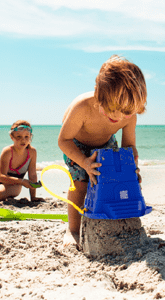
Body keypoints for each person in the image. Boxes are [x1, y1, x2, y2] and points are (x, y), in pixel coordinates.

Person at [58, 55, 147, 247]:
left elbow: (129, 147)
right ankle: (72, 229)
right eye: (111, 109)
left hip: (106, 143)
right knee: (81, 182)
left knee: (114, 179)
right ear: (99, 96)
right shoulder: (82, 107)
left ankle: (113, 216)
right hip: (76, 145)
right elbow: (63, 140)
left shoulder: (128, 114)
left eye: (126, 112)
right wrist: (84, 162)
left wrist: (132, 168)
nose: (118, 116)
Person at [0, 120, 41, 203]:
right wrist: (23, 181)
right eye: (18, 137)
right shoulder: (7, 151)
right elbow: (1, 177)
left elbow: (33, 175)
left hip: (16, 183)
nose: (23, 140)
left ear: (30, 137)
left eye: (26, 137)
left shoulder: (32, 152)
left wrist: (33, 197)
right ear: (12, 137)